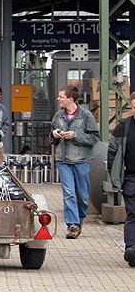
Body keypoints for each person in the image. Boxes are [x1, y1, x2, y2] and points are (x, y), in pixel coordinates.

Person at [51, 84, 99, 239]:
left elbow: (94, 138)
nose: (58, 99)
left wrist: (75, 135)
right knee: (69, 193)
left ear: (70, 99)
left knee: (82, 196)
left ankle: (79, 220)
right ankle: (72, 225)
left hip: (81, 161)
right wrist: (54, 134)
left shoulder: (86, 116)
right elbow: (51, 136)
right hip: (63, 161)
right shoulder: (58, 116)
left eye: (61, 96)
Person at [108, 91, 135, 266]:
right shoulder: (123, 126)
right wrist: (115, 175)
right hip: (131, 178)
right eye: (133, 107)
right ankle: (131, 248)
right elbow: (112, 151)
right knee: (133, 213)